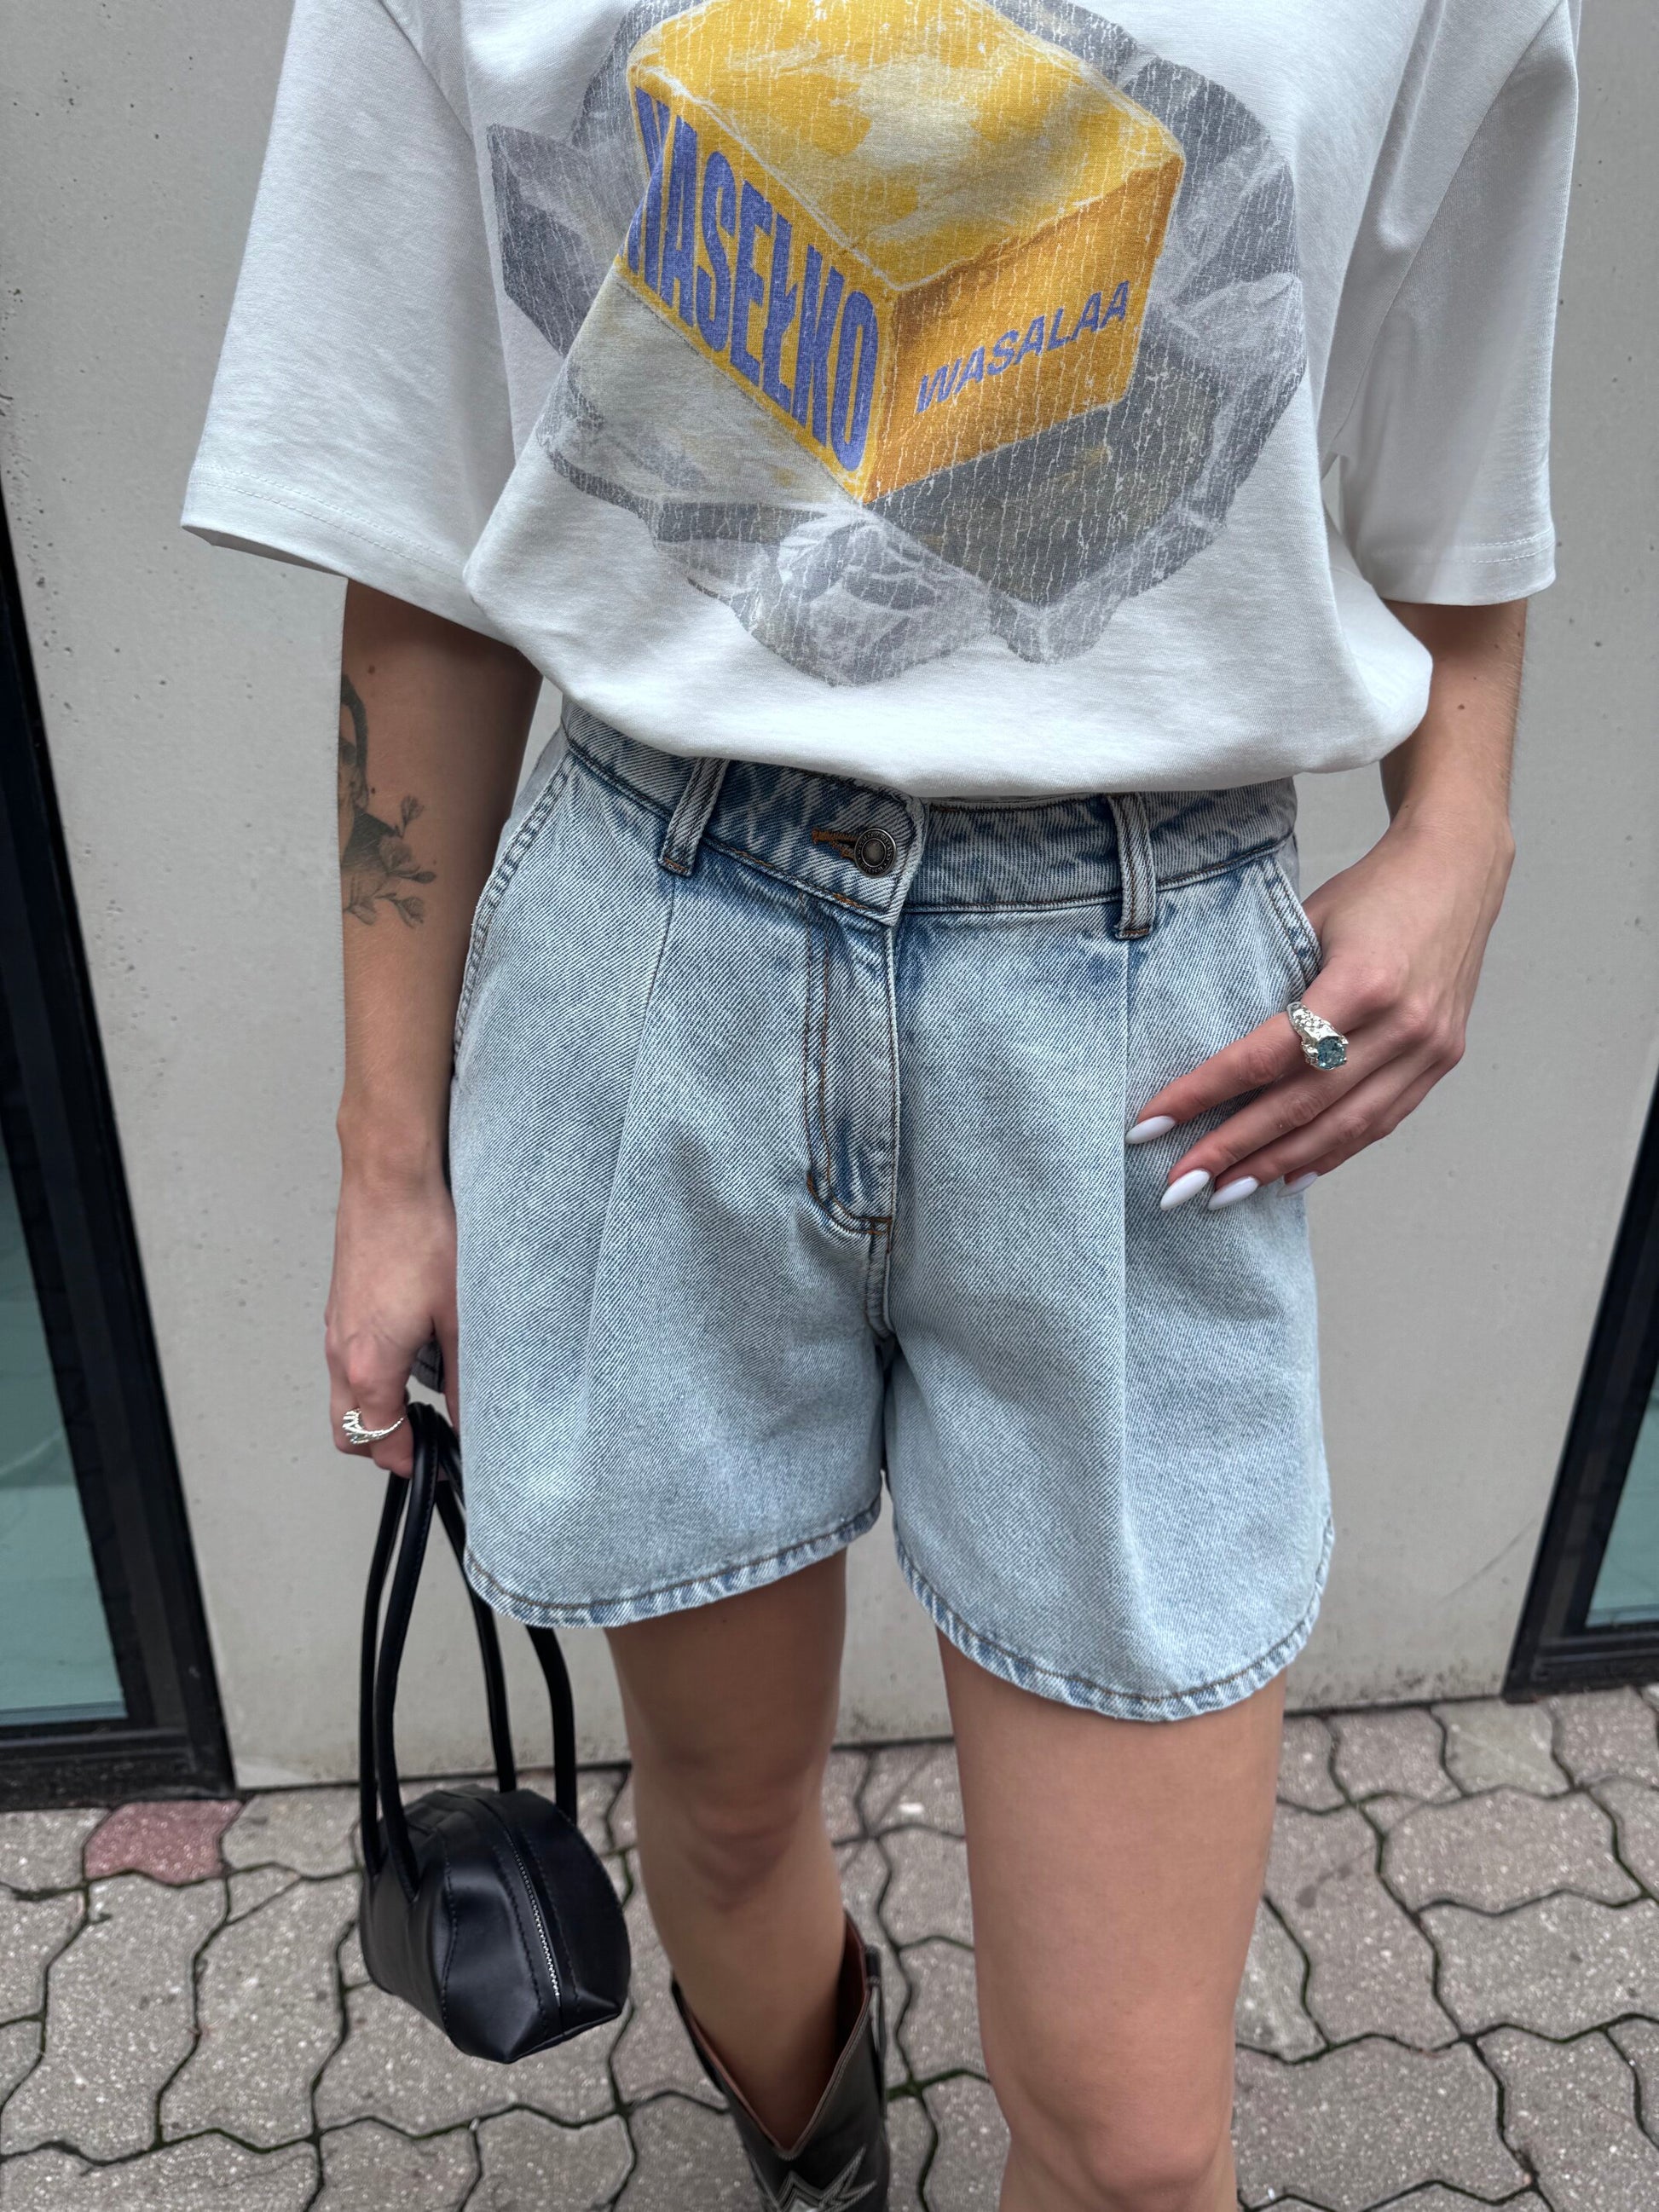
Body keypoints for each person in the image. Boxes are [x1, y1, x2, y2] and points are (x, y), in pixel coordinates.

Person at [183, 2, 1578, 2203]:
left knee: (1133, 2137)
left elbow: (1455, 437)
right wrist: (386, 1169)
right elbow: (429, 538)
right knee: (727, 1821)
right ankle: (819, 2158)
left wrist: (1464, 824)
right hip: (659, 960)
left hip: (1143, 1028)